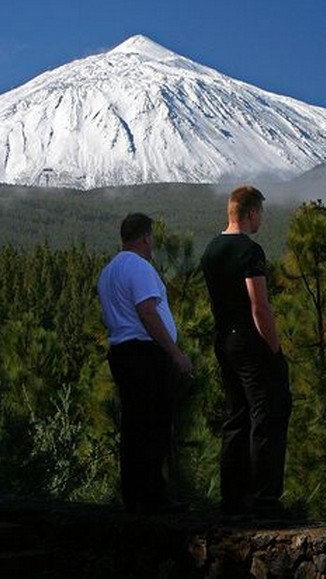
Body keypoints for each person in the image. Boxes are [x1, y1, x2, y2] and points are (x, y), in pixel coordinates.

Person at [201, 185, 292, 517]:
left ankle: (232, 496)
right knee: (266, 414)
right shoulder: (249, 252)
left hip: (223, 339)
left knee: (236, 415)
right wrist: (275, 348)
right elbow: (260, 307)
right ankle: (265, 498)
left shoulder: (211, 249)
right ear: (251, 213)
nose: (261, 220)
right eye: (261, 214)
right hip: (250, 341)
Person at [97, 212, 193, 514]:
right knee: (154, 424)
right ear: (145, 237)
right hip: (143, 353)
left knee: (134, 425)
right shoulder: (139, 267)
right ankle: (153, 496)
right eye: (151, 238)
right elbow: (147, 311)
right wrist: (175, 352)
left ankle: (134, 494)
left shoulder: (109, 270)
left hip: (121, 352)